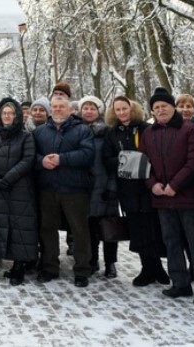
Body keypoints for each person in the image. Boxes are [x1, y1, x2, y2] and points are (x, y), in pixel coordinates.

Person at [144, 88, 194, 305]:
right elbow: (143, 163)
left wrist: (175, 184)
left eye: (164, 106)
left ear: (173, 107)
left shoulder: (189, 129)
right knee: (171, 243)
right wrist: (152, 184)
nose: (160, 110)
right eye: (156, 107)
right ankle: (180, 283)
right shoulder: (149, 133)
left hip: (187, 198)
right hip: (162, 198)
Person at [103, 94, 169, 287]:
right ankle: (146, 267)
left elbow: (154, 154)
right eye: (118, 109)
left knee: (153, 227)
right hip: (127, 188)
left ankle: (157, 267)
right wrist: (128, 159)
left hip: (148, 186)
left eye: (125, 108)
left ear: (133, 109)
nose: (122, 112)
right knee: (138, 229)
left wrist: (132, 159)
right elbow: (107, 159)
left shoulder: (146, 129)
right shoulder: (112, 133)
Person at [32, 93, 95, 287]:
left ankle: (82, 270)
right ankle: (50, 267)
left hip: (74, 188)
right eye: (55, 107)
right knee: (47, 229)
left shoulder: (82, 130)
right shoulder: (40, 132)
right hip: (47, 188)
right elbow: (30, 155)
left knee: (79, 231)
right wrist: (41, 161)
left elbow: (87, 154)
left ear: (70, 110)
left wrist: (62, 159)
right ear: (50, 110)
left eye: (62, 107)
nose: (58, 109)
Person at [0, 97, 38, 285]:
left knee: (20, 226)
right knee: (4, 225)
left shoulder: (26, 136)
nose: (7, 116)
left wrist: (8, 178)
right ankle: (13, 261)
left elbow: (27, 160)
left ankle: (21, 264)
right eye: (4, 113)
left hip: (20, 188)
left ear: (16, 115)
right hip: (0, 187)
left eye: (10, 113)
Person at [78, 95, 118, 278]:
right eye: (85, 108)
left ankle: (111, 263)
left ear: (99, 111)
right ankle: (92, 260)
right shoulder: (77, 131)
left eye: (92, 108)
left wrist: (112, 186)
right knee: (89, 228)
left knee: (109, 228)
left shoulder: (108, 132)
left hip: (104, 186)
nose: (88, 111)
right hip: (85, 187)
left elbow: (114, 162)